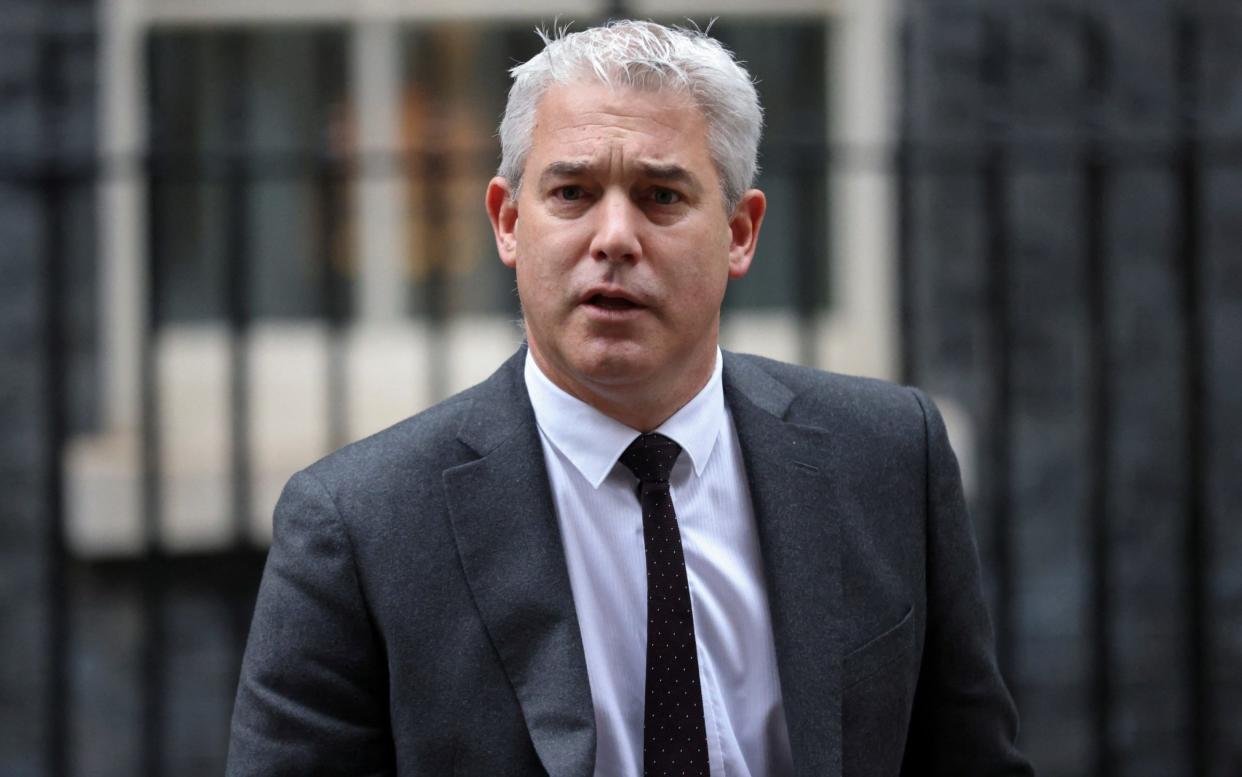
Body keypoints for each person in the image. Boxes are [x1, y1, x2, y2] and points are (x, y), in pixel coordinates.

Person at [227, 20, 1033, 777]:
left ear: (741, 232)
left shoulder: (890, 454)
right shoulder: (359, 527)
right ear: (508, 222)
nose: (614, 237)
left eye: (662, 196)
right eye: (572, 193)